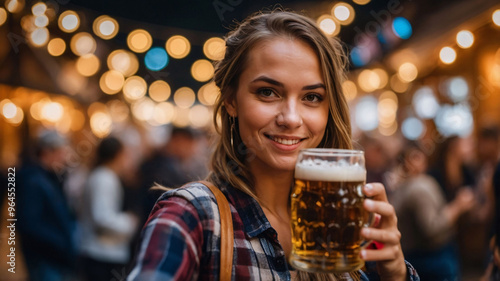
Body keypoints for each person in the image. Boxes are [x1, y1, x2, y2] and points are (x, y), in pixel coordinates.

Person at [127, 10, 418, 281]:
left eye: (312, 97)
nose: (291, 118)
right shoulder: (192, 214)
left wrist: (394, 275)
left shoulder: (347, 220)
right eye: (267, 92)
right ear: (231, 100)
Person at [390, 142, 475, 281]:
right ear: (405, 161)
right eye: (414, 157)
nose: (419, 160)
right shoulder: (419, 187)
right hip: (431, 258)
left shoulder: (403, 185)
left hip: (414, 256)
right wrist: (458, 206)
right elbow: (432, 229)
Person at [18, 130, 78, 281]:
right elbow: (29, 224)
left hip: (52, 257)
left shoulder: (48, 177)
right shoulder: (33, 181)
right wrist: (61, 244)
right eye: (62, 152)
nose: (65, 157)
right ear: (47, 152)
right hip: (44, 258)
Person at [79, 136, 139, 281]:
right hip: (103, 254)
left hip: (104, 253)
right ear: (117, 155)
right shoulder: (104, 178)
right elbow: (102, 218)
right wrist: (130, 222)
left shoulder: (103, 176)